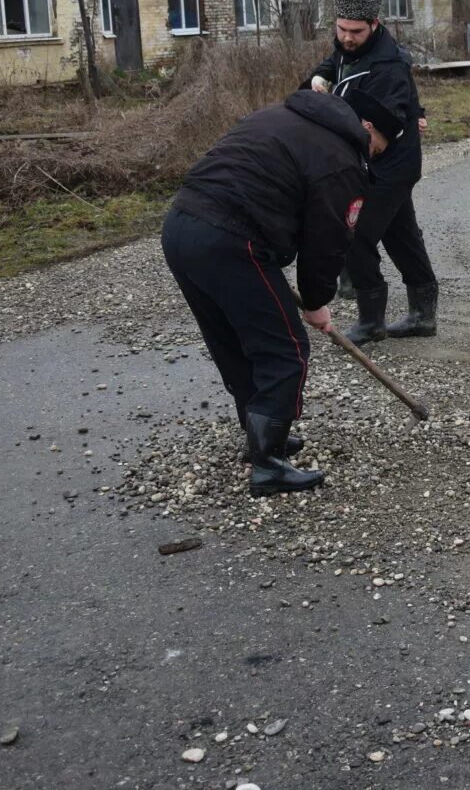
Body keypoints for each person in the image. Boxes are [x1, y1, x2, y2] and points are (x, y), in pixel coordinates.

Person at [162, 87, 393, 496]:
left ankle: (261, 437)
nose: (372, 156)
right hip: (232, 238)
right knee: (284, 348)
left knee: (234, 339)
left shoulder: (283, 117)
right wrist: (317, 301)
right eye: (377, 147)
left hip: (181, 225)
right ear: (367, 129)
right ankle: (269, 465)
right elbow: (328, 239)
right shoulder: (341, 161)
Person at [304, 0, 438, 344]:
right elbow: (335, 63)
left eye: (356, 32)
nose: (347, 38)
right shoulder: (348, 48)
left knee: (357, 233)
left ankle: (371, 320)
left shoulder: (389, 63)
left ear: (375, 24)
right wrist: (320, 77)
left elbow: (390, 119)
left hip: (391, 163)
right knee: (401, 234)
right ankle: (423, 315)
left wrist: (367, 128)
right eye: (342, 29)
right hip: (371, 163)